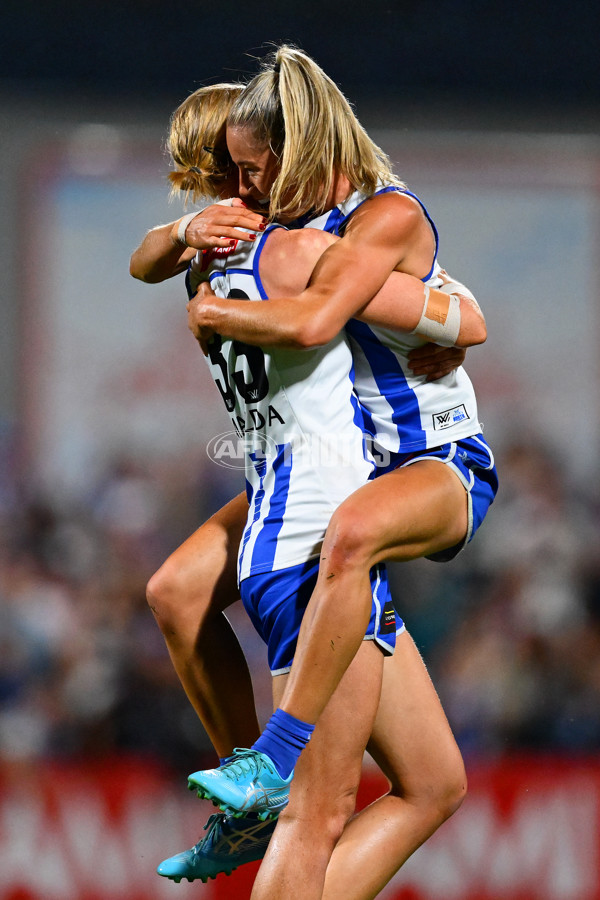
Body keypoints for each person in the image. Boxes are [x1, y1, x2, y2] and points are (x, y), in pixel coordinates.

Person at [131, 70, 491, 898]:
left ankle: (265, 762)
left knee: (286, 563)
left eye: (249, 170)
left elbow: (460, 318)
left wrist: (452, 323)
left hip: (417, 466)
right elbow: (151, 256)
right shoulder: (279, 241)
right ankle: (256, 778)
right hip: (336, 487)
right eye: (235, 173)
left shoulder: (357, 223)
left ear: (291, 154)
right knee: (417, 786)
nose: (245, 186)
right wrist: (190, 228)